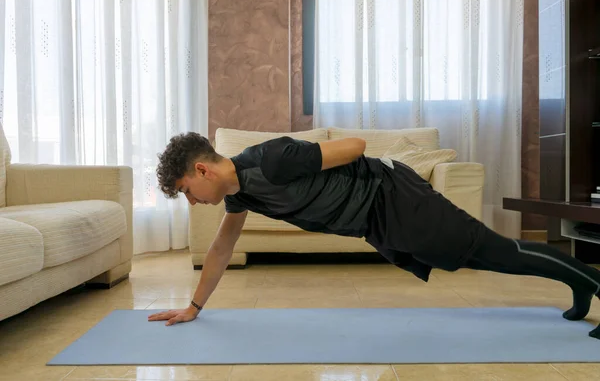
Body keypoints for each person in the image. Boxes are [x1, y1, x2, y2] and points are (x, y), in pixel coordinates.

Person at [148, 132, 600, 338]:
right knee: (477, 256)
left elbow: (357, 148)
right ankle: (580, 283)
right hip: (378, 220)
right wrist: (194, 307)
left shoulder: (269, 161)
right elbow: (222, 247)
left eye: (187, 191)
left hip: (394, 197)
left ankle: (590, 282)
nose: (192, 201)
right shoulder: (241, 194)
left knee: (493, 251)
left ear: (202, 169)